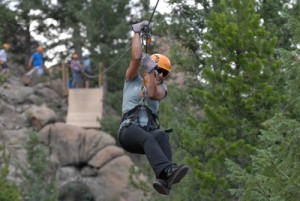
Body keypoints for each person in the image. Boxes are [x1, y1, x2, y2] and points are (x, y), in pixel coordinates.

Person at [118, 20, 189, 195]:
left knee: (161, 136)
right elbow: (136, 57)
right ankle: (167, 170)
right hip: (128, 131)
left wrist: (151, 69)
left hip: (146, 133)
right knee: (148, 138)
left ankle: (165, 181)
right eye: (159, 70)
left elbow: (151, 93)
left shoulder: (162, 90)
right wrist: (136, 32)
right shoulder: (132, 80)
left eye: (165, 73)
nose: (161, 75)